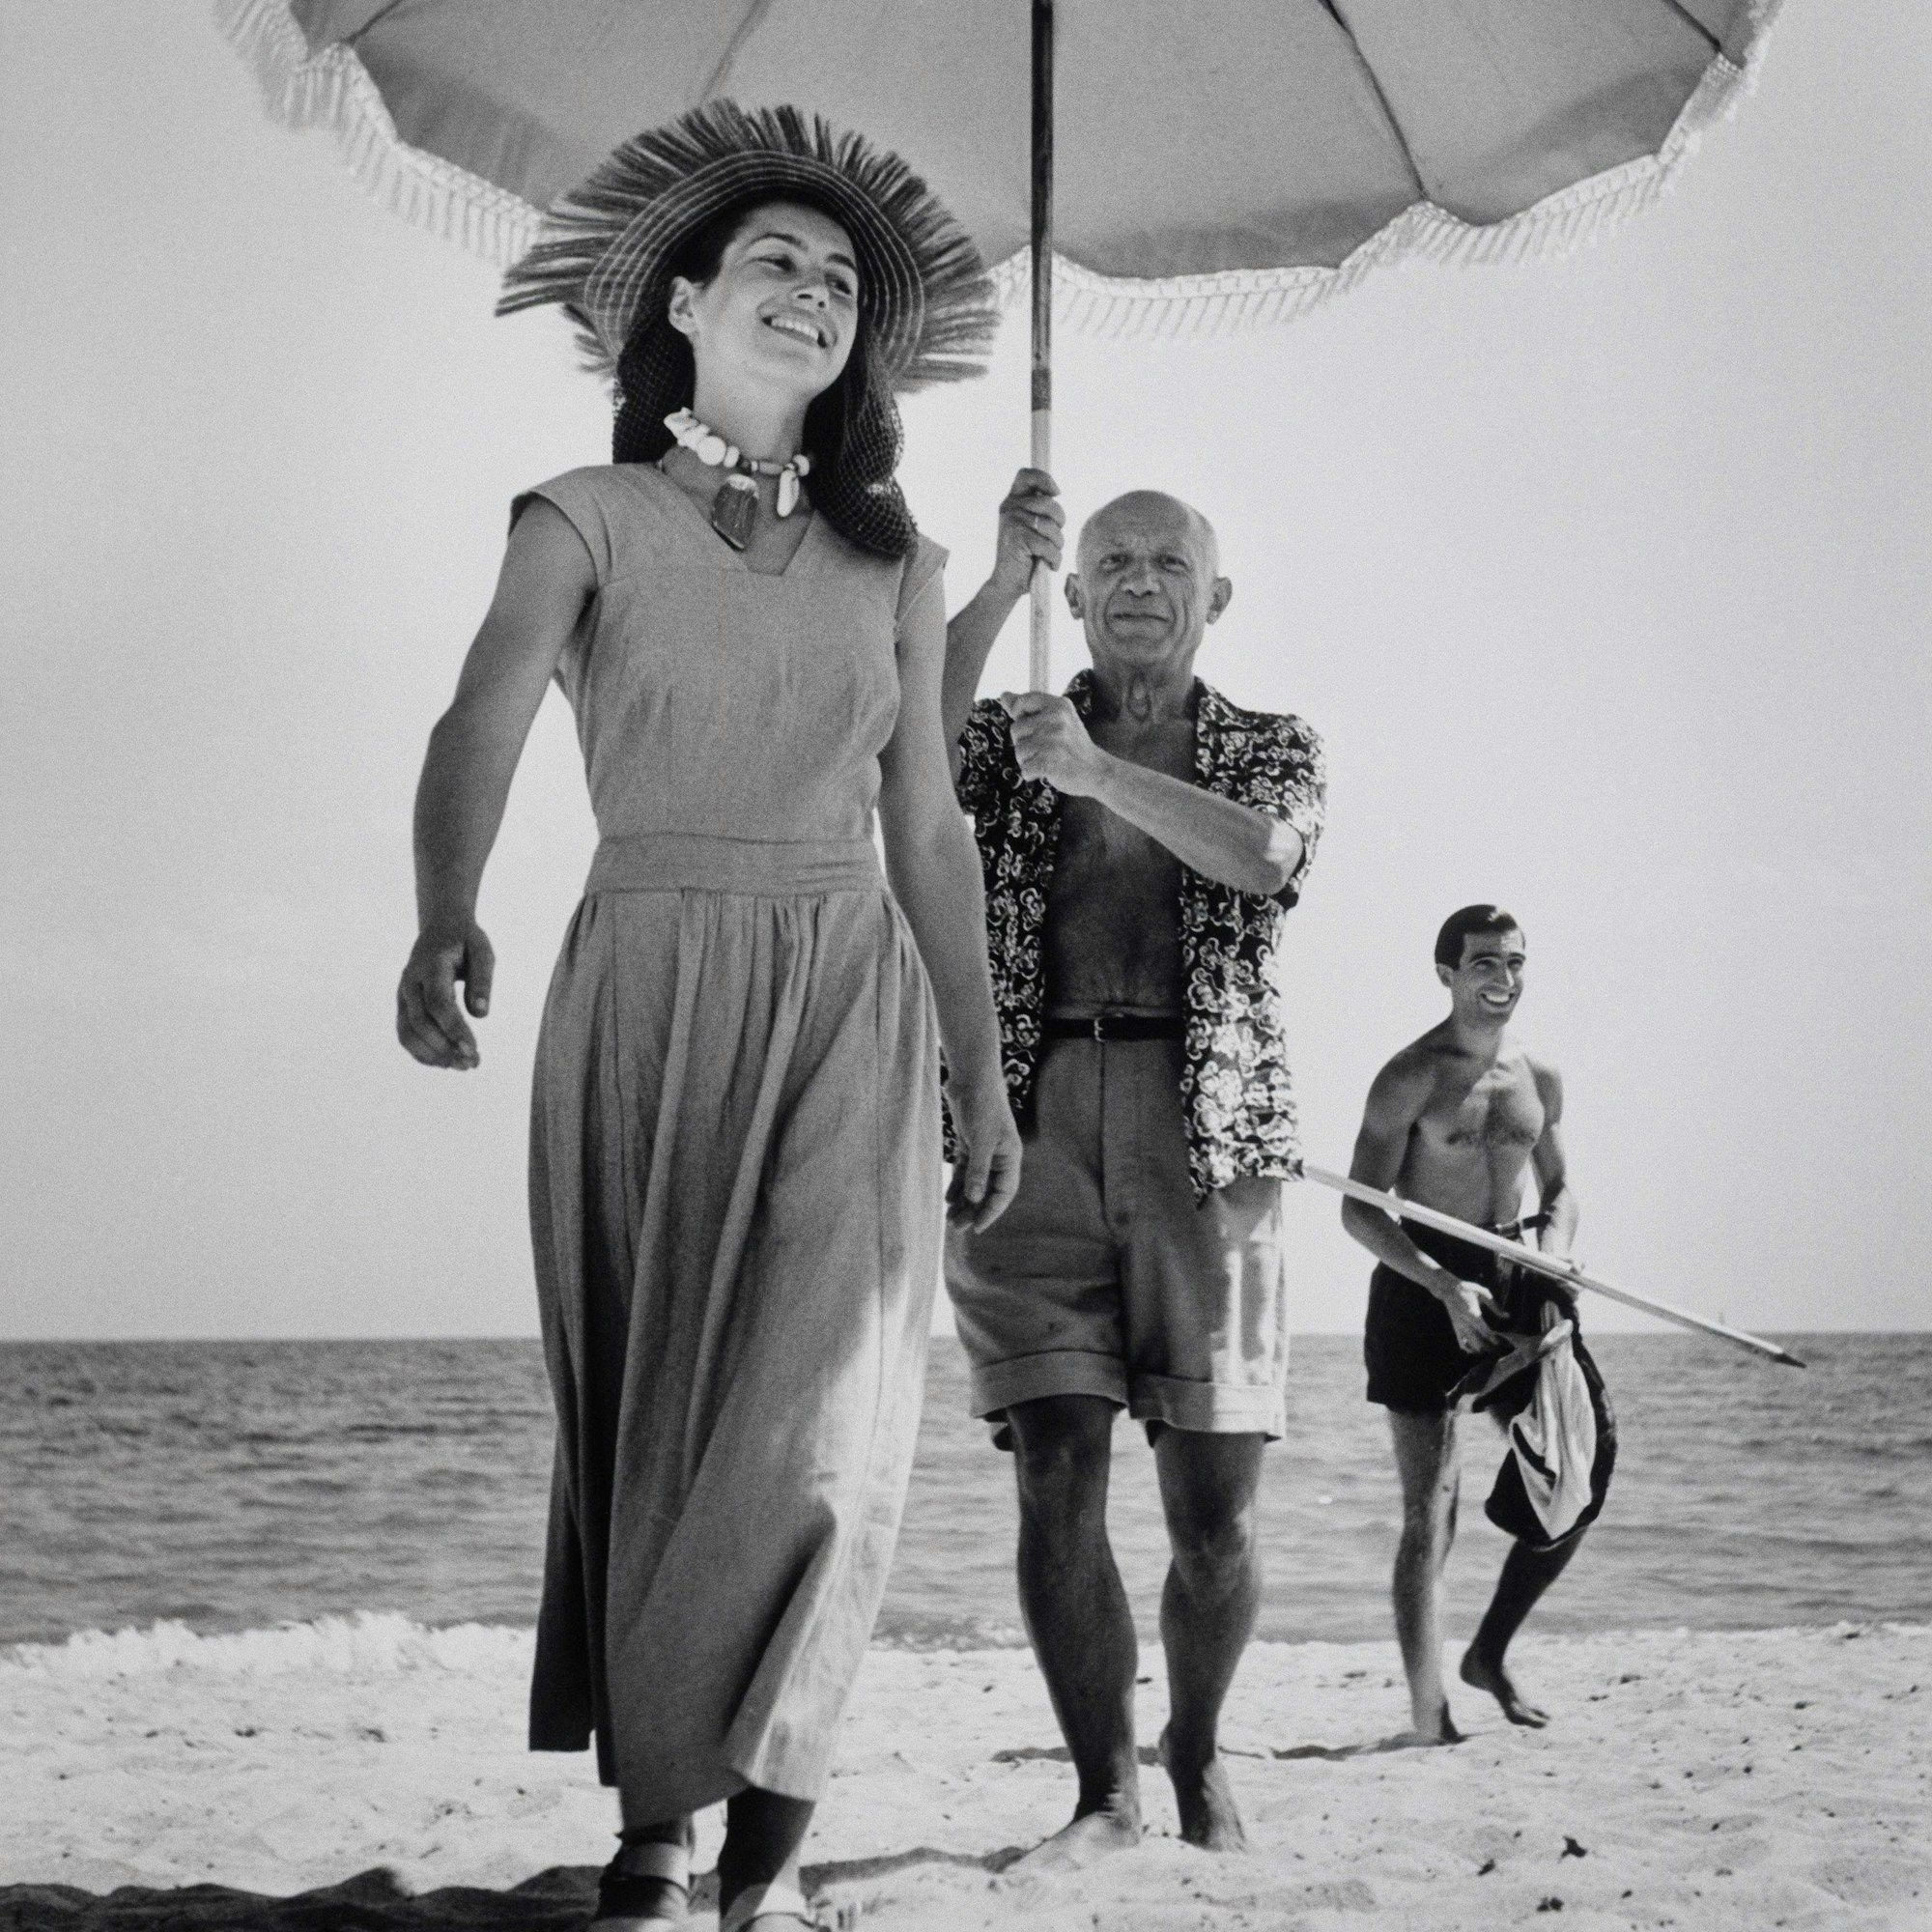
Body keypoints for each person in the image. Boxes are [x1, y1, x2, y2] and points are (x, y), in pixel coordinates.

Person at [395, 103, 1019, 1932]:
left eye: (841, 280)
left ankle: (777, 1774)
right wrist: (444, 910)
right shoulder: (580, 517)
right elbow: (480, 723)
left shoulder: (901, 565)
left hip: (846, 993)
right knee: (668, 1416)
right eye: (778, 261)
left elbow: (926, 823)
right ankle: (664, 1823)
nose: (814, 293)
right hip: (647, 977)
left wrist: (982, 1068)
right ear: (682, 301)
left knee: (826, 1418)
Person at [941, 486, 1326, 1861]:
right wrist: (993, 588)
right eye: (1109, 562)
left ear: (1217, 596)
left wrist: (1100, 774)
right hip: (1029, 1116)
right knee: (1054, 1467)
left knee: (1213, 1510)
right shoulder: (1011, 733)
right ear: (1076, 592)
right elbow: (896, 754)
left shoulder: (1270, 743)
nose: (1139, 581)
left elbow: (1269, 859)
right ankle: (1102, 1790)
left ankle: (1199, 1748)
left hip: (1206, 1132)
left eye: (1171, 562)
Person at [1341, 905, 1614, 1747]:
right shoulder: (1410, 1076)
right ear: (1448, 973)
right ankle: (1430, 1714)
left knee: (1581, 1473)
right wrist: (1437, 1283)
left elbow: (1560, 1189)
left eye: (1516, 963)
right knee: (1434, 1509)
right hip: (1422, 1281)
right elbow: (1359, 1211)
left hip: (1517, 1271)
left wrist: (1556, 1251)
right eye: (1485, 963)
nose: (1503, 979)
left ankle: (1488, 1653)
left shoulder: (1541, 1075)